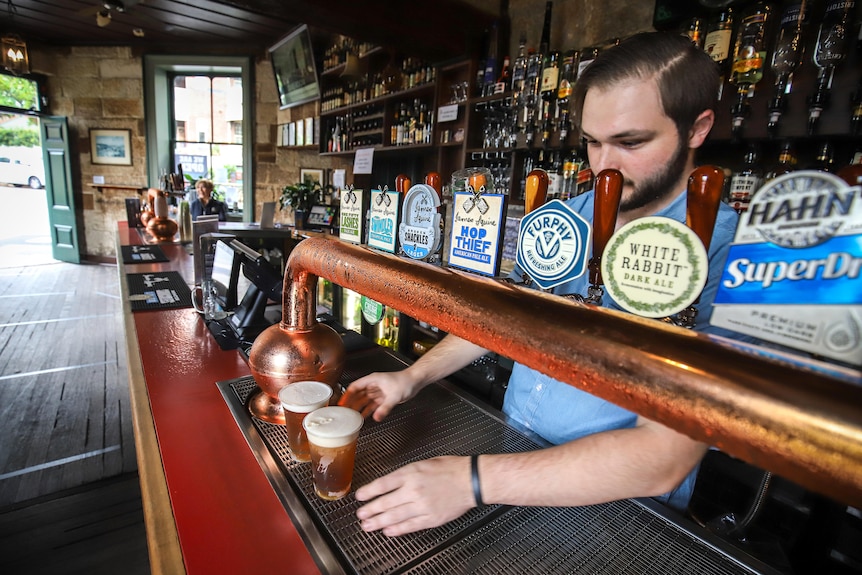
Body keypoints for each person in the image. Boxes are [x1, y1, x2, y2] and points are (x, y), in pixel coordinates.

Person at [339, 32, 744, 537]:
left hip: (622, 511)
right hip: (515, 455)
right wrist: (413, 376)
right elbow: (507, 316)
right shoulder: (568, 218)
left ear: (697, 128)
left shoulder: (727, 254)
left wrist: (469, 481)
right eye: (594, 142)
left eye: (631, 142)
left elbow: (664, 457)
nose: (605, 167)